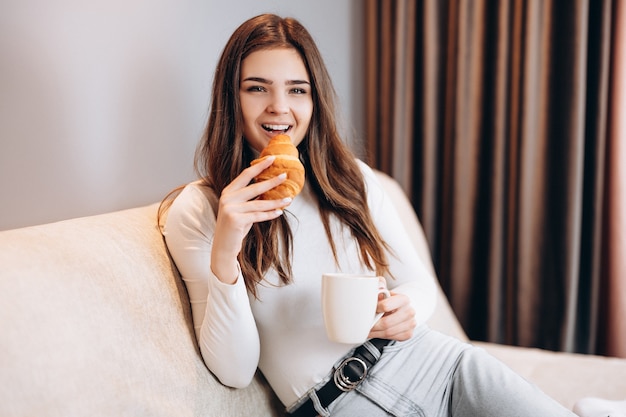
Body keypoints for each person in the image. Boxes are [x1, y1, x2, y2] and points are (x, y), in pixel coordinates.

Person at [160, 13, 577, 417]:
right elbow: (234, 370)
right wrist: (226, 249)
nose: (279, 107)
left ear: (315, 98)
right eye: (256, 88)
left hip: (440, 367)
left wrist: (404, 306)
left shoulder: (351, 178)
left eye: (297, 90)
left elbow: (416, 282)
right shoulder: (199, 210)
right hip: (338, 402)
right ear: (229, 97)